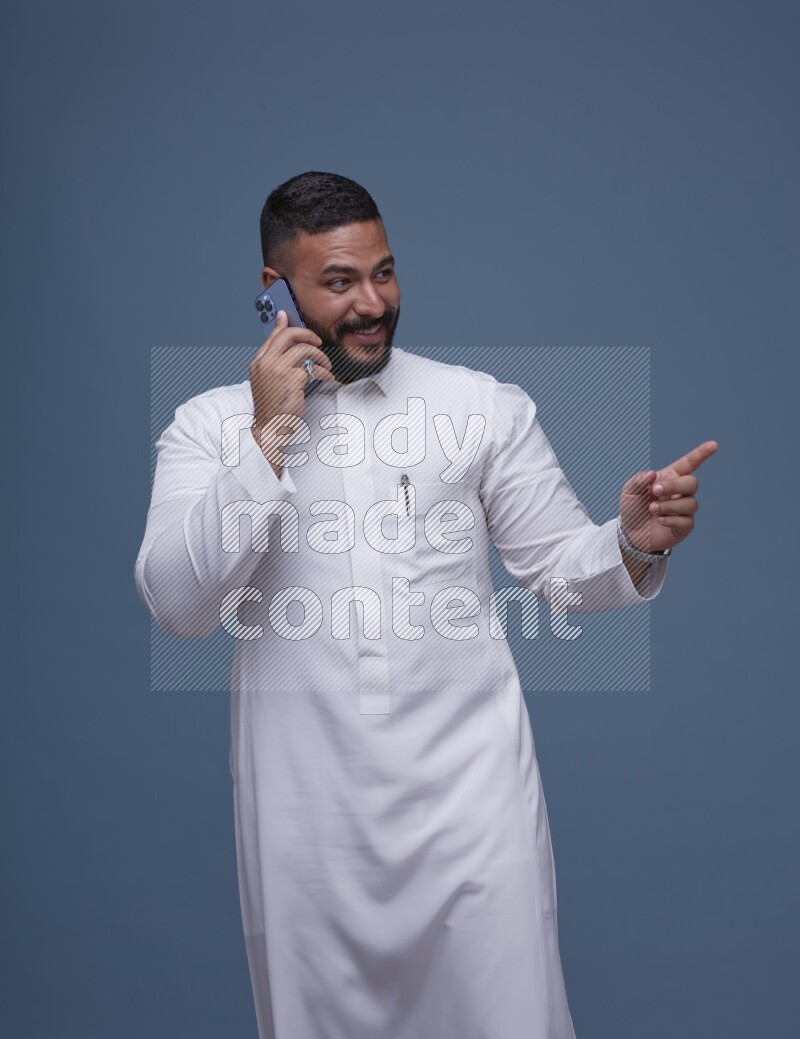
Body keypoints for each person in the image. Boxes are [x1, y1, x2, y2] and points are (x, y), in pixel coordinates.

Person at [134, 171, 717, 1039]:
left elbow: (560, 568)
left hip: (474, 815)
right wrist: (269, 438)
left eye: (385, 272)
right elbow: (179, 605)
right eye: (339, 282)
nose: (373, 303)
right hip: (307, 828)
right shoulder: (208, 427)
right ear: (275, 293)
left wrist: (632, 540)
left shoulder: (478, 406)